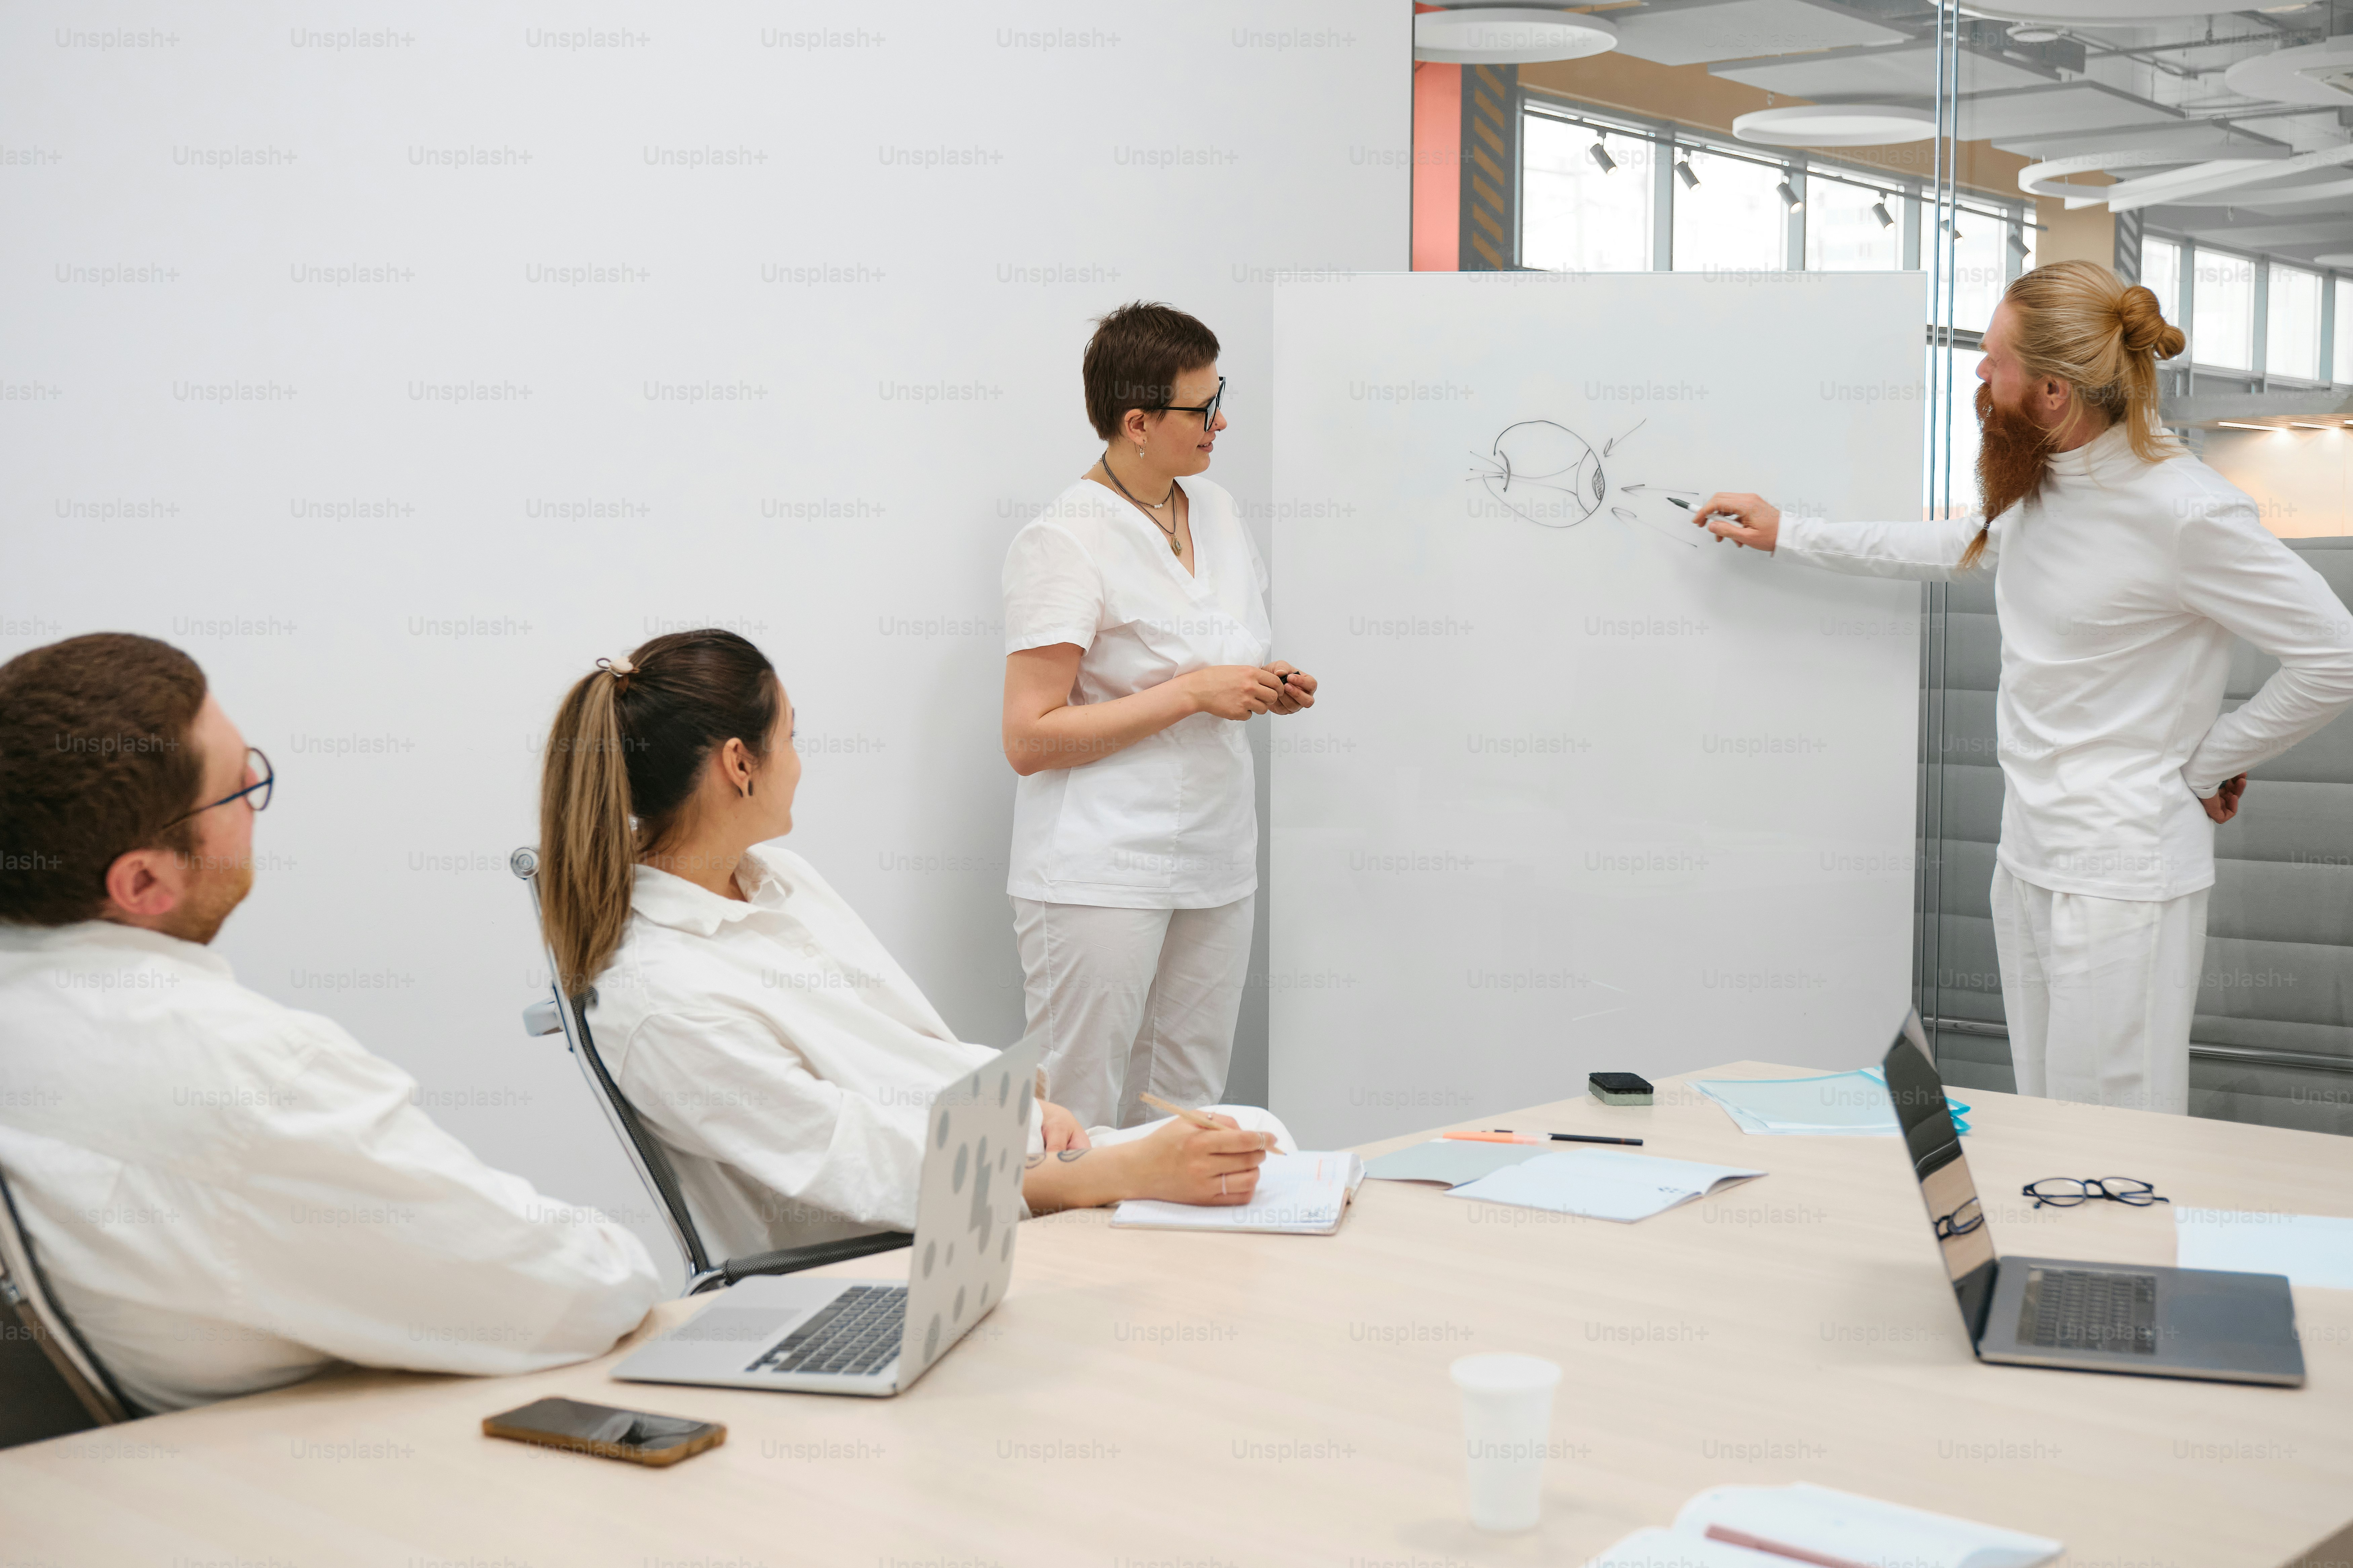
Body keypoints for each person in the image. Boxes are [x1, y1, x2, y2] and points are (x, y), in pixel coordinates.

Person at [1692, 260, 2353, 1115]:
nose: (1977, 373)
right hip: (2028, 859)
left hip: (2123, 877)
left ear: (2048, 390)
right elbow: (1954, 545)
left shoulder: (2185, 511)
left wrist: (2205, 764)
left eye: (1991, 358)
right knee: (2049, 1127)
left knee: (2119, 1142)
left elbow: (2335, 653)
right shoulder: (2043, 488)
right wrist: (1791, 532)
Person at [0, 634, 662, 1414]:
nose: (255, 798)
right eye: (236, 788)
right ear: (144, 879)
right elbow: (571, 1296)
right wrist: (621, 1255)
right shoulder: (243, 1075)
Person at [534, 630, 1281, 1264]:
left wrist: (1023, 1101)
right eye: (791, 736)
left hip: (1001, 1181)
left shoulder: (777, 882)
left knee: (1259, 1138)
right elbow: (858, 1158)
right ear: (740, 763)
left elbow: (907, 1048)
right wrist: (1102, 1174)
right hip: (904, 1256)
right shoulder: (662, 1001)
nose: (798, 760)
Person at [999, 301, 1318, 1129]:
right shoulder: (1063, 539)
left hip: (1214, 856)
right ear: (1136, 421)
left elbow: (1225, 652)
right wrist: (1192, 691)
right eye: (1202, 408)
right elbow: (1028, 737)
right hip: (1099, 866)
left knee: (1186, 1107)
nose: (1221, 422)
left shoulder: (1214, 510)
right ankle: (1063, 1265)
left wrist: (1264, 680)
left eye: (1221, 397)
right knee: (1075, 1112)